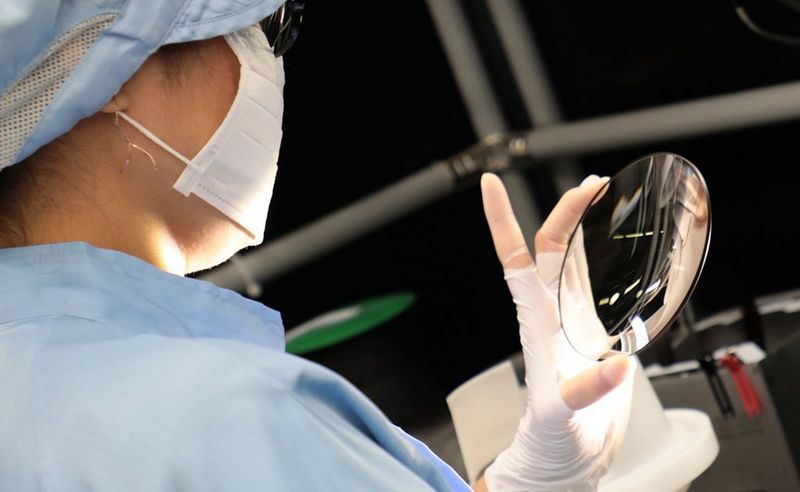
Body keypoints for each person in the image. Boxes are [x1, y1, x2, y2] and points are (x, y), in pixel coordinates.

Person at [0, 1, 635, 490]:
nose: (274, 66)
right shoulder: (235, 415)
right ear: (113, 71)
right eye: (272, 26)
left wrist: (529, 477)